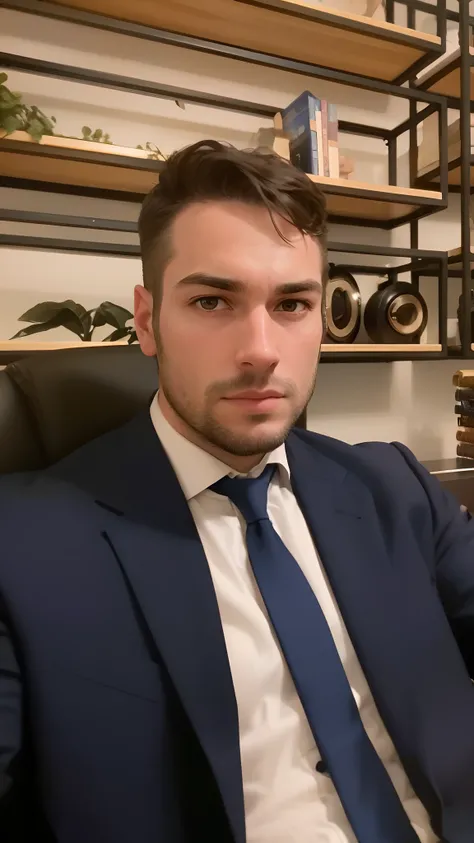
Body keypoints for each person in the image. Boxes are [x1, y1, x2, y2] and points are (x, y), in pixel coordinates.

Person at [0, 139, 473, 843]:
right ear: (146, 318)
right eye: (213, 299)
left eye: (291, 303)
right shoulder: (25, 542)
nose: (261, 347)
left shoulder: (393, 487)